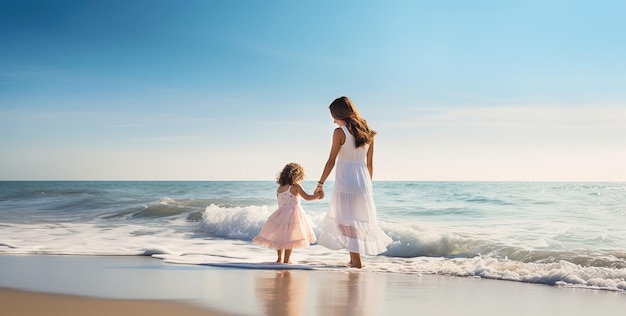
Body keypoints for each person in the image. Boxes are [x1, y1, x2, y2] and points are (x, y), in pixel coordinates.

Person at [315, 96, 392, 268]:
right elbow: (370, 164)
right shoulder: (368, 133)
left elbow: (331, 161)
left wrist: (320, 184)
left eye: (334, 117)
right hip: (363, 181)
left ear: (340, 113)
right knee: (354, 220)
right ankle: (353, 260)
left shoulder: (339, 133)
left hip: (346, 181)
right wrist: (367, 186)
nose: (334, 122)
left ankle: (357, 262)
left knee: (346, 221)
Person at [253, 162, 322, 263]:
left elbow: (280, 204)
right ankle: (287, 259)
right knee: (290, 238)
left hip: (280, 215)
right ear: (297, 175)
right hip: (293, 215)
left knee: (280, 237)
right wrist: (318, 196)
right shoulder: (296, 186)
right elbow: (307, 197)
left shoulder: (280, 188)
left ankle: (279, 258)